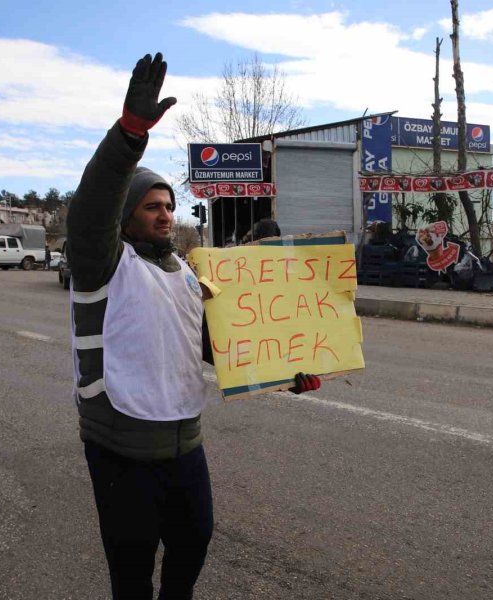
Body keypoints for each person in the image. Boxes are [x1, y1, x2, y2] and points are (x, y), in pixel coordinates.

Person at [66, 52, 321, 600]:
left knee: (194, 541)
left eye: (170, 205)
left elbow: (215, 344)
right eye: (151, 205)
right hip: (121, 446)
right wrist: (130, 134)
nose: (164, 214)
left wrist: (288, 370)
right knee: (132, 568)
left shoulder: (185, 269)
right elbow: (91, 208)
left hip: (185, 443)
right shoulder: (102, 265)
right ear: (127, 214)